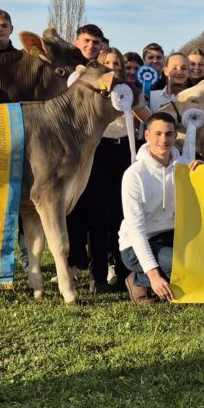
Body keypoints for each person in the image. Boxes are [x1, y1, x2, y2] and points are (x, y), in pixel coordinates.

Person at [118, 112, 201, 303]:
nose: (164, 140)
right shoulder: (134, 175)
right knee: (181, 267)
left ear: (175, 136)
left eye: (169, 134)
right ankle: (140, 280)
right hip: (138, 243)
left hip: (174, 237)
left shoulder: (185, 167)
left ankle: (145, 280)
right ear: (147, 135)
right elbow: (136, 231)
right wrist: (154, 275)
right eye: (158, 134)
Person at [67, 47, 130, 292]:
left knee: (121, 216)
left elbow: (143, 116)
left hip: (123, 151)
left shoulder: (127, 90)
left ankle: (124, 274)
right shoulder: (92, 89)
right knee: (98, 217)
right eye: (108, 63)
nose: (112, 68)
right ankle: (98, 276)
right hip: (99, 150)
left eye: (117, 64)